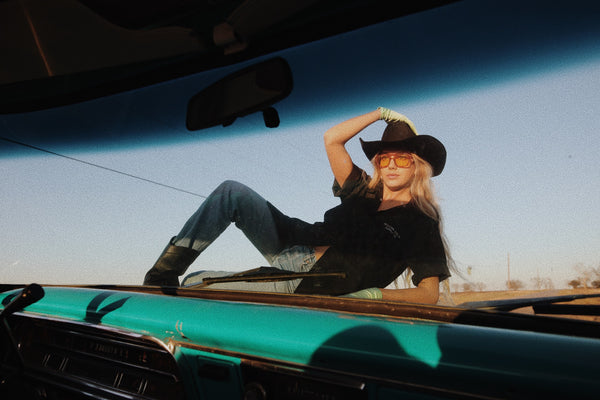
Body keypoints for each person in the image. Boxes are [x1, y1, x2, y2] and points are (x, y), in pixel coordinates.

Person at [143, 107, 451, 304]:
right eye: (384, 157)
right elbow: (332, 139)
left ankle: (178, 287)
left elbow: (428, 294)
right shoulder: (364, 191)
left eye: (402, 158)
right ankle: (160, 276)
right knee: (231, 192)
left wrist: (372, 296)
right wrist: (381, 114)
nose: (392, 165)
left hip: (309, 280)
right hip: (292, 241)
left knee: (198, 286)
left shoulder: (421, 222)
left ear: (417, 165)